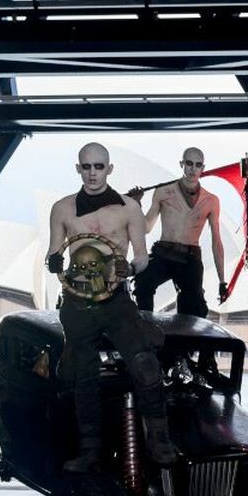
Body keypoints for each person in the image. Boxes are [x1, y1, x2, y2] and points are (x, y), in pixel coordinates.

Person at [45, 141, 177, 471]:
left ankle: (159, 440)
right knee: (83, 375)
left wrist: (128, 268)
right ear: (78, 169)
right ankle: (90, 451)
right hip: (77, 303)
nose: (92, 173)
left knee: (144, 362)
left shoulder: (129, 208)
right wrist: (54, 261)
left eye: (98, 167)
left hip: (117, 300)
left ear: (109, 169)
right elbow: (53, 252)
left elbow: (142, 259)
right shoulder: (62, 208)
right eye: (86, 167)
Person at [132, 147, 228, 317]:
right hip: (163, 253)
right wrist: (136, 205)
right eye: (189, 163)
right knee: (143, 283)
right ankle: (144, 327)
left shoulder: (211, 201)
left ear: (203, 168)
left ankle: (186, 332)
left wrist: (222, 281)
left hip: (189, 259)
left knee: (195, 307)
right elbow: (146, 227)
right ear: (181, 164)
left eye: (197, 165)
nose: (193, 169)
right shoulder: (163, 191)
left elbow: (217, 241)